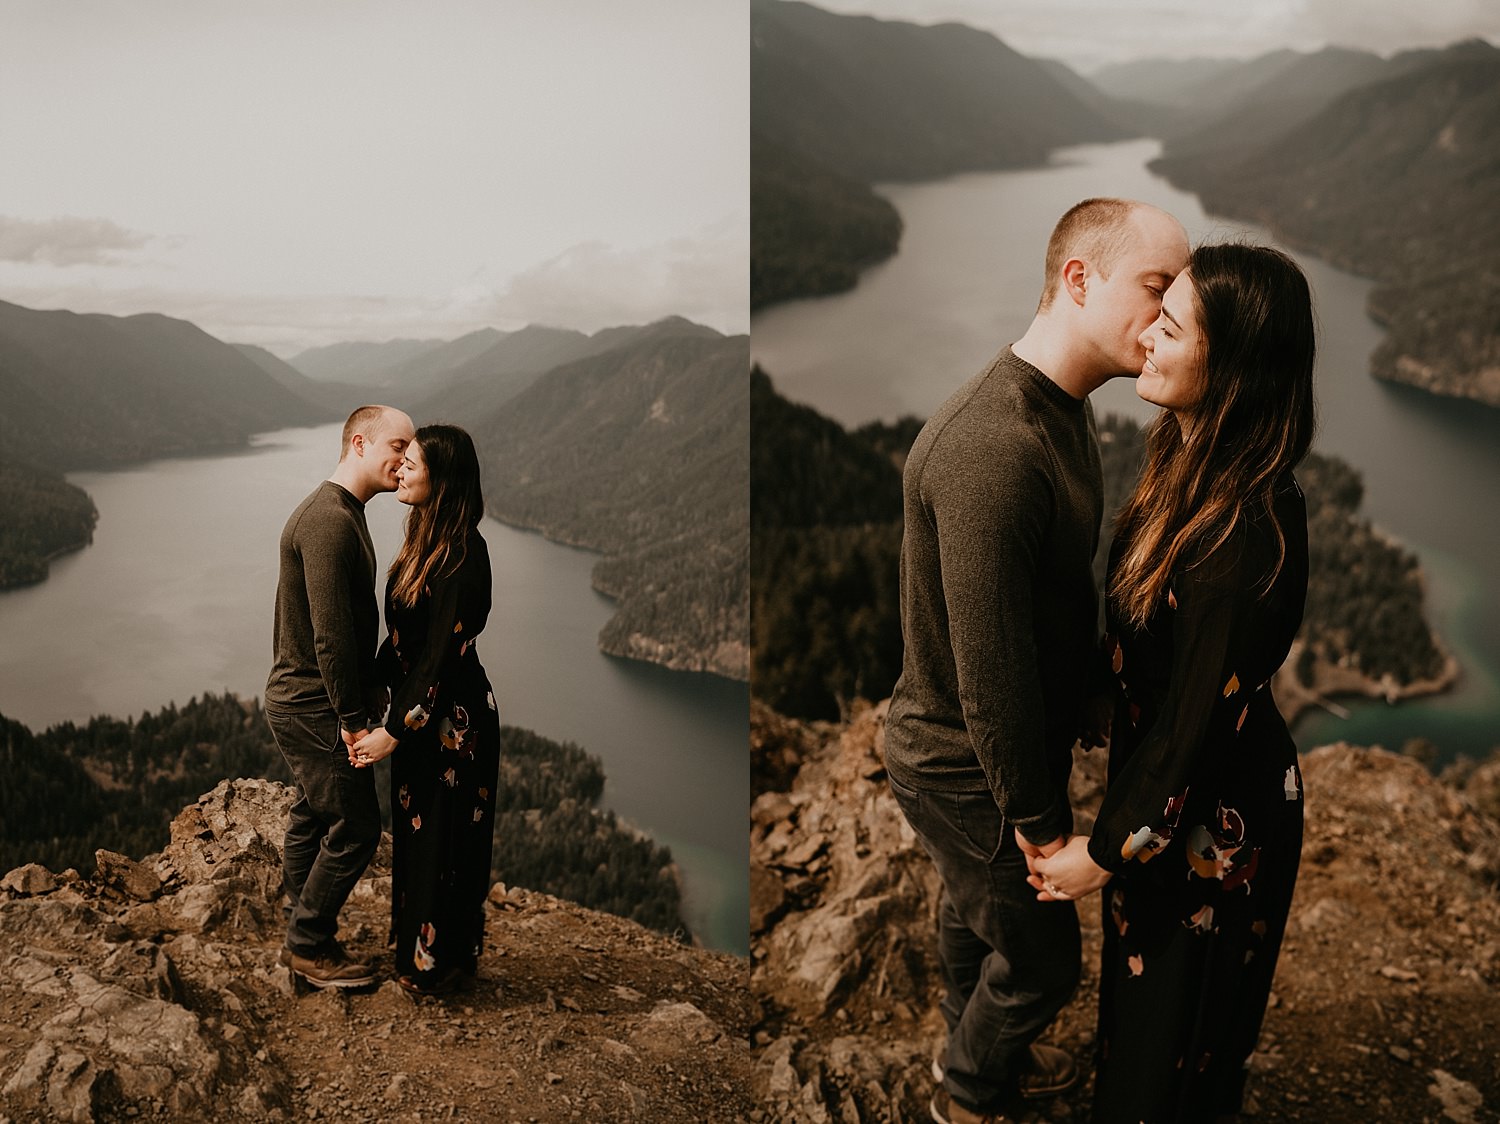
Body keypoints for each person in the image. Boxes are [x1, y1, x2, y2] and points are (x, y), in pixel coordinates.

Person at [884, 198, 1191, 1124]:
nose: (1172, 311)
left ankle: (966, 1040)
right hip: (966, 764)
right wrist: (1043, 824)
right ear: (1079, 279)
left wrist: (1093, 686)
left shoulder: (1058, 412)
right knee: (1048, 961)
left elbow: (1051, 601)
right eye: (1156, 285)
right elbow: (992, 679)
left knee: (978, 912)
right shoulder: (995, 446)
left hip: (976, 759)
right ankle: (969, 1095)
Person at [1032, 242, 1315, 1122]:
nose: (1146, 334)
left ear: (1230, 368)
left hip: (1212, 818)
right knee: (1149, 1013)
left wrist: (1103, 854)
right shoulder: (1187, 469)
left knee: (1177, 1042)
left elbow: (1192, 729)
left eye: (1173, 324)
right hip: (1171, 795)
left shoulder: (1242, 533)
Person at [266, 404, 416, 988]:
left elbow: (346, 627)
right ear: (359, 442)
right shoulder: (329, 520)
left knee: (312, 811)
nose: (405, 459)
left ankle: (302, 927)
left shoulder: (341, 512)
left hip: (307, 699)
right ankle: (307, 945)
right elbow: (329, 635)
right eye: (397, 445)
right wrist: (353, 719)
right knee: (355, 828)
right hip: (314, 704)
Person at [349, 424, 501, 996]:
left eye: (412, 463)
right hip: (424, 718)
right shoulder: (425, 540)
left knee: (446, 838)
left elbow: (440, 660)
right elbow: (404, 644)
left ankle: (439, 968)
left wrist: (392, 729)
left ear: (443, 479)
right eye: (402, 459)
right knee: (420, 834)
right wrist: (371, 696)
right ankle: (421, 956)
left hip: (455, 725)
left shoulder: (464, 553)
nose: (401, 471)